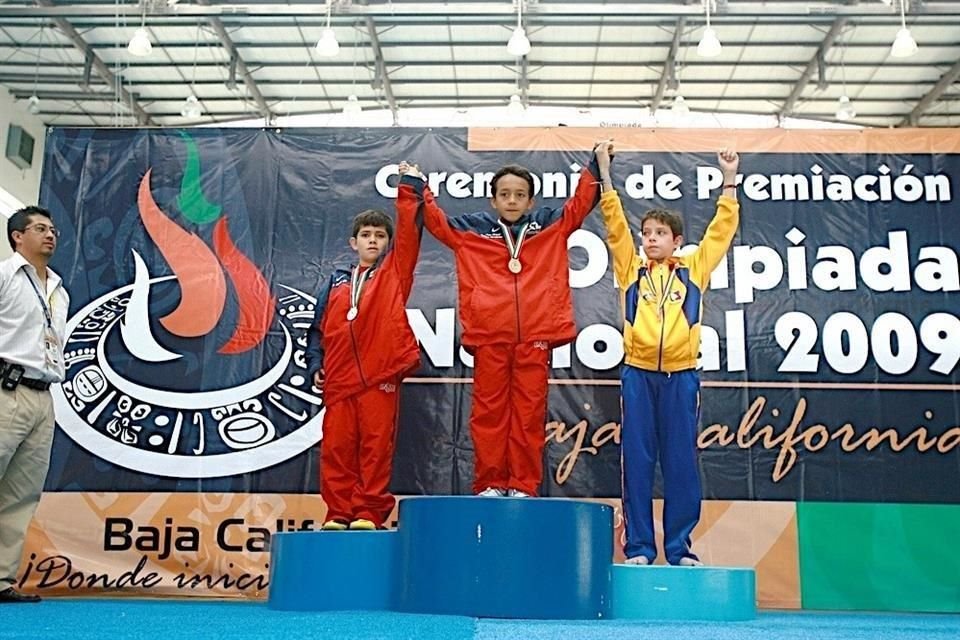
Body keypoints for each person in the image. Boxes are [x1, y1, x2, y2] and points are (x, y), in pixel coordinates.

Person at [407, 142, 614, 497]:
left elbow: (580, 205)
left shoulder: (550, 225)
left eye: (520, 195)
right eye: (505, 194)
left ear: (531, 201)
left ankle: (522, 484)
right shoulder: (472, 231)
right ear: (493, 200)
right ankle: (489, 483)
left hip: (534, 336)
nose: (512, 201)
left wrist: (596, 163)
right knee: (488, 415)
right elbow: (436, 224)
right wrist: (417, 186)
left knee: (528, 416)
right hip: (490, 336)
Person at [600, 149, 741, 566]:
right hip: (637, 376)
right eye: (646, 233)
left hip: (681, 378)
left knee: (681, 463)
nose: (649, 239)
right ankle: (640, 547)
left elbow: (722, 230)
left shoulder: (694, 268)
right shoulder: (631, 271)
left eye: (659, 233)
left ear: (677, 241)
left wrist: (729, 177)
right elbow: (613, 225)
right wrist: (606, 174)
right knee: (637, 462)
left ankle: (680, 548)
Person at [305, 162, 424, 531]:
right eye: (366, 234)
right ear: (353, 242)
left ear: (387, 244)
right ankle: (338, 511)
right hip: (340, 379)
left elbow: (408, 235)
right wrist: (314, 364)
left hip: (379, 376)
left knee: (375, 449)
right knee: (337, 450)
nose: (373, 240)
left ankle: (368, 513)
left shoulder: (393, 274)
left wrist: (409, 188)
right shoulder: (336, 282)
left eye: (380, 235)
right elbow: (316, 329)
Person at [0, 206, 69, 603]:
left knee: (21, 493)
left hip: (44, 397)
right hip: (5, 389)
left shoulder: (59, 291)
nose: (50, 235)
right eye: (40, 228)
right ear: (17, 237)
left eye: (53, 229)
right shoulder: (5, 277)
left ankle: (0, 579)